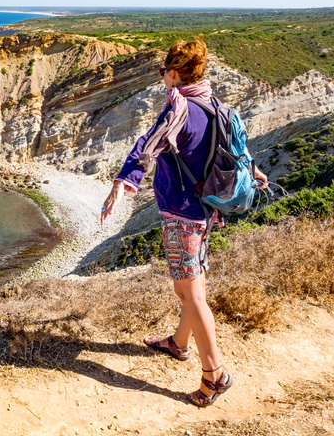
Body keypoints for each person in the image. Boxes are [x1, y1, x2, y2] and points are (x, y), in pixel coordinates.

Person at [100, 38, 267, 407]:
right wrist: (254, 171)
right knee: (196, 285)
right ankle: (179, 343)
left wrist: (119, 186)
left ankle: (215, 375)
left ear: (174, 73)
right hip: (207, 210)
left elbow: (147, 144)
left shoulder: (179, 109)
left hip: (183, 215)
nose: (163, 77)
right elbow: (236, 148)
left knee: (189, 295)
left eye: (164, 71)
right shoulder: (216, 104)